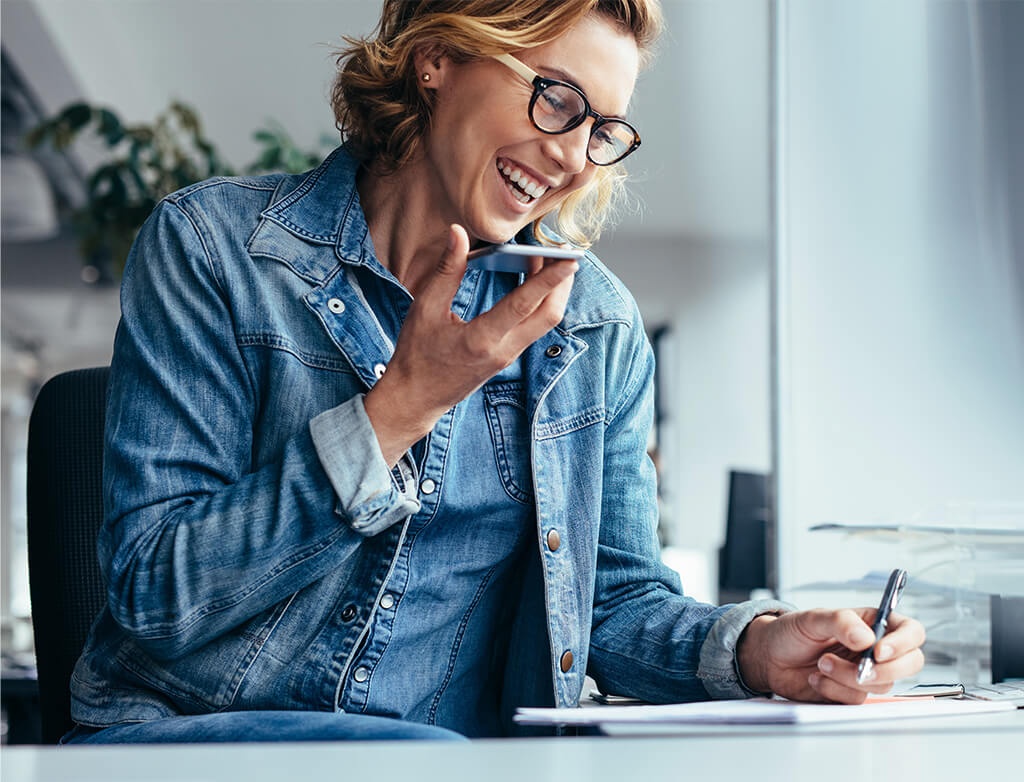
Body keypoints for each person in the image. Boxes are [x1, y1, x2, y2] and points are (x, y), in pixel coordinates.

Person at [65, 0, 924, 744]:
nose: (576, 156)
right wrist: (399, 407)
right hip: (186, 744)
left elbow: (612, 607)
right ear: (437, 58)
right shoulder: (218, 249)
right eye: (557, 98)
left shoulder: (594, 326)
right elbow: (157, 597)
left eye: (602, 129)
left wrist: (757, 650)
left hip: (441, 762)